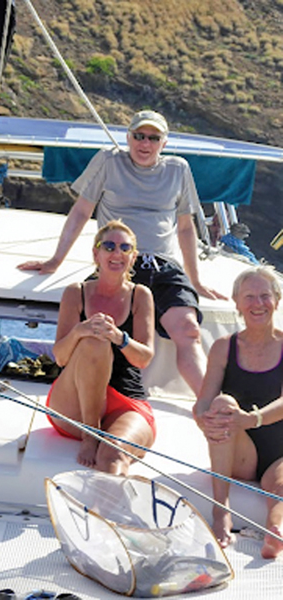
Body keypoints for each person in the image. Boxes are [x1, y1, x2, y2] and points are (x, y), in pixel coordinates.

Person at [19, 110, 227, 396]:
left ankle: (210, 405)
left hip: (163, 265)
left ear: (164, 143)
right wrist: (56, 260)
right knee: (98, 331)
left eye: (153, 138)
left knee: (189, 331)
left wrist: (196, 281)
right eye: (139, 136)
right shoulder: (108, 161)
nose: (145, 143)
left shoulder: (178, 169)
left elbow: (185, 228)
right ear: (128, 137)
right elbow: (81, 211)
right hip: (116, 260)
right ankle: (83, 395)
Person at [47, 220, 156, 475]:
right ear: (96, 254)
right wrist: (79, 332)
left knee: (113, 456)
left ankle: (105, 512)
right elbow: (61, 358)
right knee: (95, 340)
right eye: (108, 246)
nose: (116, 253)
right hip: (73, 405)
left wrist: (120, 337)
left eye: (124, 248)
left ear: (133, 258)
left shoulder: (141, 295)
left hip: (124, 401)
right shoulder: (76, 293)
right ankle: (90, 434)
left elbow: (144, 359)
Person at [194, 267, 283, 558]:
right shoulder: (223, 348)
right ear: (237, 302)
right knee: (221, 404)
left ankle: (275, 531)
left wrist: (252, 419)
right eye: (250, 297)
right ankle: (221, 513)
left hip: (279, 453)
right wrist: (204, 418)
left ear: (277, 300)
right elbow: (203, 401)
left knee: (279, 485)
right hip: (239, 451)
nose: (258, 304)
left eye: (265, 296)